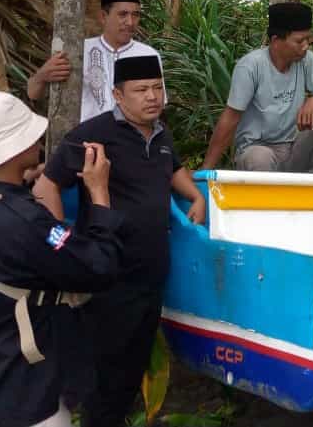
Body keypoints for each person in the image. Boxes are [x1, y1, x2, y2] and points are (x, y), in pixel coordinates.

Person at [34, 55, 205, 427]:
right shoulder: (92, 135)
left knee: (133, 365)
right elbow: (46, 186)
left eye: (157, 88)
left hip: (153, 273)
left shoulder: (161, 133)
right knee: (103, 373)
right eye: (141, 90)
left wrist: (196, 196)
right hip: (110, 276)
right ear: (117, 94)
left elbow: (173, 167)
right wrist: (62, 243)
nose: (152, 97)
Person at [0, 92, 124, 427]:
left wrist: (23, 182)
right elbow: (98, 267)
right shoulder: (25, 223)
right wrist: (99, 194)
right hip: (28, 397)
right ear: (13, 149)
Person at [200, 2, 313, 173]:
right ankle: (270, 199)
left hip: (293, 149)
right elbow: (230, 118)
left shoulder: (306, 60)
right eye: (299, 41)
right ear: (275, 40)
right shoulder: (251, 66)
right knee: (260, 157)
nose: (306, 46)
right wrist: (206, 170)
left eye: (308, 40)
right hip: (256, 150)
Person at [27, 0, 166, 122]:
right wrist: (42, 76)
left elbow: (157, 105)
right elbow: (32, 94)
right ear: (103, 16)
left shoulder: (148, 55)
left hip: (131, 139)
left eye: (135, 15)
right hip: (85, 139)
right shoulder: (79, 51)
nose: (130, 22)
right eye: (123, 14)